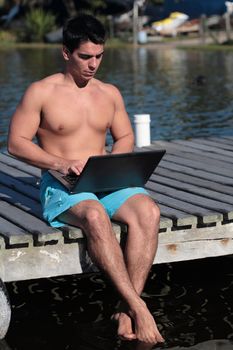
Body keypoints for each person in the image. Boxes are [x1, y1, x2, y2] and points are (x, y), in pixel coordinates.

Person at [7, 13, 164, 345]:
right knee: (93, 214)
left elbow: (124, 138)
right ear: (66, 53)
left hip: (104, 177)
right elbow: (16, 144)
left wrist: (112, 159)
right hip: (62, 183)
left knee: (148, 211)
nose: (93, 64)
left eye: (99, 56)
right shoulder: (41, 92)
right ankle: (141, 309)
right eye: (85, 57)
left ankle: (125, 309)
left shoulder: (109, 94)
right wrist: (60, 163)